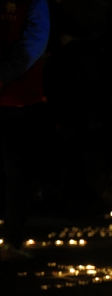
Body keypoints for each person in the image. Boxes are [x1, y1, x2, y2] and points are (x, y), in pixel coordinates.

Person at [0, 0, 50, 260]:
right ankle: (11, 241)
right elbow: (34, 42)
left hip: (16, 97)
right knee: (18, 172)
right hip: (18, 96)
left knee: (16, 171)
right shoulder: (33, 2)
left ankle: (11, 239)